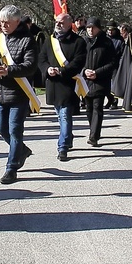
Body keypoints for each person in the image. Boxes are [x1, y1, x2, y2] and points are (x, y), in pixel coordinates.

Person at [0, 5, 39, 185]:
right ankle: (21, 150)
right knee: (2, 129)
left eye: (7, 22)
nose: (3, 25)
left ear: (17, 21)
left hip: (19, 93)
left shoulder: (28, 40)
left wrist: (9, 70)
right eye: (2, 22)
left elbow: (30, 66)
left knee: (15, 130)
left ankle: (12, 167)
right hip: (0, 93)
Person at [38, 13, 86, 162]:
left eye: (61, 22)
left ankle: (62, 147)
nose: (58, 24)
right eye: (57, 22)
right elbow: (42, 59)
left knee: (65, 115)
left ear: (69, 23)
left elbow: (79, 61)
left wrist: (62, 71)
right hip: (53, 84)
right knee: (60, 116)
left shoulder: (78, 41)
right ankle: (68, 137)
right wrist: (47, 69)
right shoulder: (49, 40)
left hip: (68, 84)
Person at [82, 18, 116, 145]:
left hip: (100, 80)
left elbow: (113, 62)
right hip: (86, 81)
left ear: (99, 28)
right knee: (89, 108)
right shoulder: (83, 42)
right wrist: (84, 71)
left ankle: (94, 136)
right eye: (88, 28)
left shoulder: (107, 43)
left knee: (97, 108)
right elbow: (78, 60)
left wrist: (97, 73)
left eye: (93, 27)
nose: (90, 30)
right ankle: (93, 130)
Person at [104, 21, 123, 109]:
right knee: (106, 84)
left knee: (114, 84)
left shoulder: (120, 40)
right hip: (106, 64)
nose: (110, 32)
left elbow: (121, 53)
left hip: (116, 65)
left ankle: (115, 102)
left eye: (112, 30)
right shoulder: (104, 39)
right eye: (108, 30)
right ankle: (109, 100)